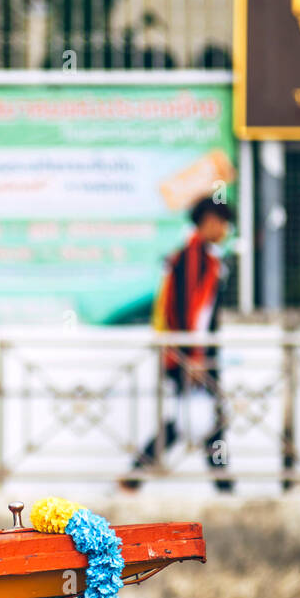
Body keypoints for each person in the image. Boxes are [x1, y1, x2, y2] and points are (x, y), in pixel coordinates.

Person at [122, 196, 235, 491]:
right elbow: (187, 310)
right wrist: (192, 358)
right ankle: (224, 486)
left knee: (201, 421)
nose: (224, 230)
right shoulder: (193, 258)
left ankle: (134, 476)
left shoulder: (202, 257)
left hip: (194, 354)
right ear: (209, 222)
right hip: (191, 356)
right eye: (222, 223)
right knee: (201, 423)